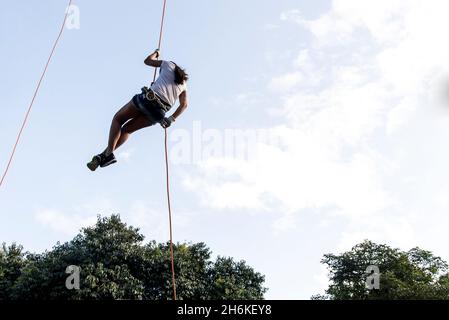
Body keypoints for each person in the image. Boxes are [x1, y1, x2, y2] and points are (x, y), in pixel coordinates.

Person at [87, 49, 189, 171]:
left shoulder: (168, 64)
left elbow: (148, 61)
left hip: (147, 99)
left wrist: (156, 53)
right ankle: (105, 155)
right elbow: (184, 105)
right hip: (159, 113)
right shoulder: (183, 84)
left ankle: (108, 154)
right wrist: (171, 119)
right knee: (127, 130)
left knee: (118, 119)